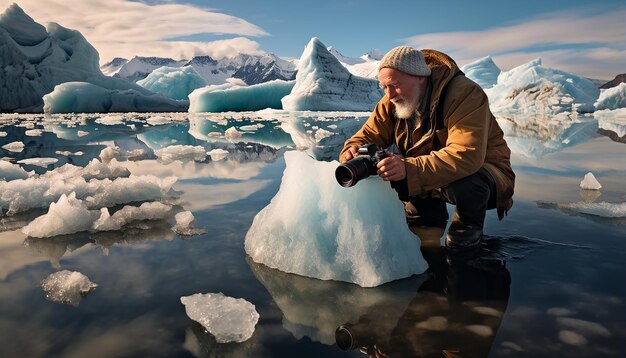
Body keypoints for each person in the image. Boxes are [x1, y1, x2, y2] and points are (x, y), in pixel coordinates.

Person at [339, 46, 515, 252]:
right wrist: (352, 149)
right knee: (421, 234)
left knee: (467, 184)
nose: (389, 95)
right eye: (384, 87)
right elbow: (367, 135)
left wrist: (408, 169)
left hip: (484, 174)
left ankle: (466, 234)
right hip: (427, 174)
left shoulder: (464, 93)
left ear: (420, 77)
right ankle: (427, 232)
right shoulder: (391, 101)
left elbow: (467, 154)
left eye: (394, 85)